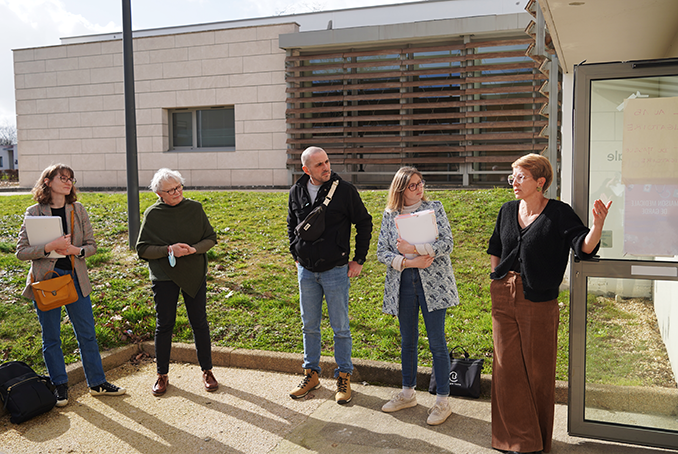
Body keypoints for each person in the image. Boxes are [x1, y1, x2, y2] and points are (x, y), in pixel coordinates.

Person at [487, 153, 611, 454]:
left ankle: (536, 441)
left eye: (521, 177)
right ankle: (513, 440)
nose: (514, 182)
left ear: (540, 182)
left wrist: (597, 225)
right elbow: (496, 247)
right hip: (504, 294)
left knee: (538, 372)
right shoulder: (506, 211)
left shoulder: (558, 213)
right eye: (512, 176)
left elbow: (582, 245)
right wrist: (495, 278)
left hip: (539, 300)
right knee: (505, 369)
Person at [16, 164, 126, 407]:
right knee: (51, 337)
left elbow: (92, 245)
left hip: (76, 279)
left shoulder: (78, 210)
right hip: (46, 282)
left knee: (87, 334)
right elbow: (21, 252)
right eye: (62, 178)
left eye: (71, 179)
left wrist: (78, 250)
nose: (68, 182)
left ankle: (97, 383)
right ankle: (60, 387)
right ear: (47, 181)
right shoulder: (34, 212)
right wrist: (48, 246)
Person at [287, 146, 372, 404]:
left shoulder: (344, 190)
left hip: (336, 270)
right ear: (306, 169)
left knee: (341, 328)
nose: (326, 167)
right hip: (306, 271)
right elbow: (292, 225)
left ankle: (344, 375)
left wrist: (358, 259)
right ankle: (311, 373)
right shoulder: (296, 191)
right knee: (309, 326)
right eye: (319, 165)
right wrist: (296, 254)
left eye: (327, 162)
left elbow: (364, 222)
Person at [376, 167, 460, 426]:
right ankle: (407, 393)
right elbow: (382, 252)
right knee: (408, 340)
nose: (419, 188)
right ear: (400, 189)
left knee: (437, 342)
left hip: (434, 284)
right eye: (413, 185)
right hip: (404, 282)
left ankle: (442, 401)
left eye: (420, 183)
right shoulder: (390, 214)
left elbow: (447, 243)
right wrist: (410, 262)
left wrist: (416, 248)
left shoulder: (435, 207)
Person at [136, 168, 219, 396]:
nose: (176, 192)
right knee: (164, 325)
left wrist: (194, 249)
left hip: (194, 272)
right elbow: (142, 249)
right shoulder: (152, 214)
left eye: (179, 187)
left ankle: (207, 371)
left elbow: (210, 238)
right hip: (164, 276)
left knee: (199, 323)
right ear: (159, 193)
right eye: (170, 190)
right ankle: (161, 375)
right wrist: (168, 250)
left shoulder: (195, 208)